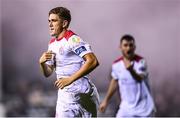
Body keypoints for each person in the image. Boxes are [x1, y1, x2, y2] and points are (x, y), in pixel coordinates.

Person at [39, 7, 100, 117]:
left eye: (54, 21)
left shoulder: (73, 40)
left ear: (64, 23)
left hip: (85, 96)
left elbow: (93, 61)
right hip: (66, 99)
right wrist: (42, 63)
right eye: (49, 21)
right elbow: (48, 73)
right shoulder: (52, 44)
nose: (50, 24)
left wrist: (69, 80)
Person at [99, 34, 155, 117]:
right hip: (126, 108)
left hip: (143, 109)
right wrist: (106, 101)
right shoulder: (116, 64)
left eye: (131, 45)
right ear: (120, 47)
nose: (128, 48)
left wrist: (131, 70)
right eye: (125, 45)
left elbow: (139, 79)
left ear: (134, 47)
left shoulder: (141, 62)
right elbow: (114, 81)